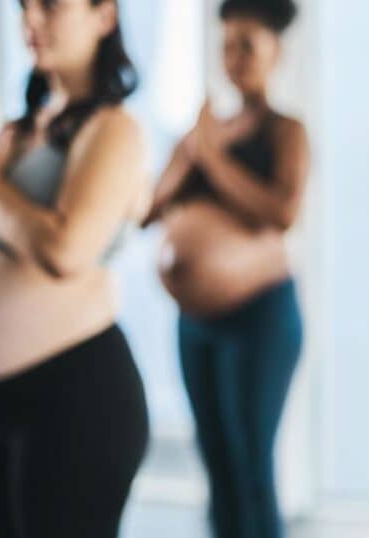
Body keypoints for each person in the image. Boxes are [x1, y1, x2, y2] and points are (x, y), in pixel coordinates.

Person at [0, 1, 149, 535]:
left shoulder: (114, 130)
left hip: (77, 403)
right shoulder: (20, 133)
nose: (30, 21)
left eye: (50, 5)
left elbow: (65, 250)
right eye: (23, 6)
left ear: (104, 16)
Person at [143, 0, 309, 535]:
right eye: (227, 45)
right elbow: (149, 210)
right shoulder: (202, 131)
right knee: (214, 461)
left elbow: (282, 212)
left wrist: (213, 157)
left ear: (274, 52)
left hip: (261, 318)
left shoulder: (286, 130)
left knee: (251, 462)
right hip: (196, 324)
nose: (235, 57)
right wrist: (192, 151)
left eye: (248, 45)